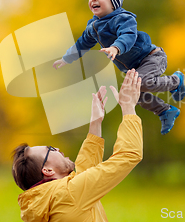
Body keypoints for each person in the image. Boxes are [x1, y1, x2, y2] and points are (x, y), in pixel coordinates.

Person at [52, 0, 185, 135]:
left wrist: (116, 47)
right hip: (134, 68)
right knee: (130, 94)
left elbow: (128, 35)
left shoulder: (123, 18)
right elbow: (82, 44)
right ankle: (165, 111)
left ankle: (176, 81)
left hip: (152, 57)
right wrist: (66, 58)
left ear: (113, 2)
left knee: (143, 83)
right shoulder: (92, 27)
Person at [13, 69, 144, 222]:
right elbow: (129, 155)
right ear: (47, 170)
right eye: (50, 150)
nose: (57, 149)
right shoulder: (70, 193)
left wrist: (95, 124)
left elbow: (82, 176)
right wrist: (128, 108)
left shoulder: (48, 200)